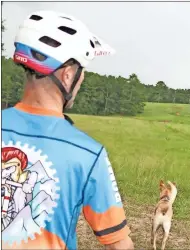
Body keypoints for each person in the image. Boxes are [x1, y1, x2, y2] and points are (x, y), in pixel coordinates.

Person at [1, 10, 134, 249]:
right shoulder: (88, 153)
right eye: (81, 73)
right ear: (68, 74)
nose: (81, 81)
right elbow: (118, 244)